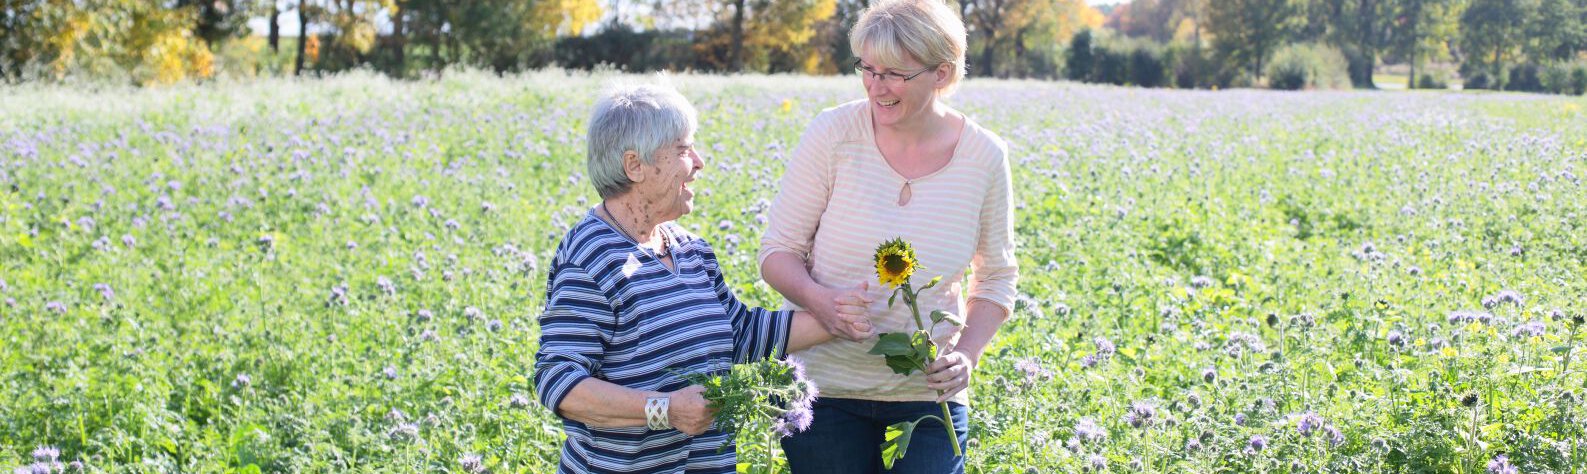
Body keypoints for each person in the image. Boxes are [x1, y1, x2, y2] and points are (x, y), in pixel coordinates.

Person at [533, 80, 872, 474]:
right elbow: (560, 382)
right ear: (634, 166)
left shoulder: (688, 248)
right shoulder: (591, 258)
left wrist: (837, 316)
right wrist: (665, 410)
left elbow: (740, 333)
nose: (699, 161)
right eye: (683, 149)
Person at [757, 0, 1019, 471]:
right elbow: (778, 252)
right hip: (822, 391)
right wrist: (819, 300)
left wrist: (966, 356)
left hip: (928, 396)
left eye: (895, 73)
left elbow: (996, 278)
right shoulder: (832, 134)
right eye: (868, 68)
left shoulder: (984, 157)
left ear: (941, 73)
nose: (877, 86)